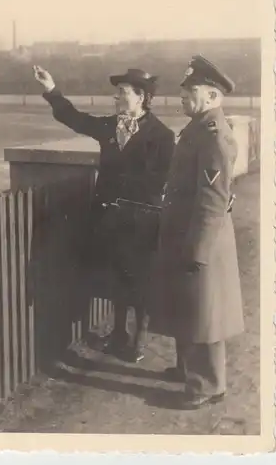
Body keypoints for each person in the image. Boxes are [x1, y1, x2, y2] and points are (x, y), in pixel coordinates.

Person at [34, 66, 175, 362]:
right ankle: (118, 334)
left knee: (139, 280)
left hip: (141, 220)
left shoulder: (162, 135)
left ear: (141, 97)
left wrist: (127, 191)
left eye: (122, 92)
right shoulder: (110, 126)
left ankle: (137, 341)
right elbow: (74, 118)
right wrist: (51, 89)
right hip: (110, 219)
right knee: (116, 277)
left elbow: (162, 179)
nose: (116, 97)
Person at [155, 55, 244, 409]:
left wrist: (199, 250)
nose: (182, 97)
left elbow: (213, 199)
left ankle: (207, 385)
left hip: (201, 236)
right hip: (186, 231)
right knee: (189, 307)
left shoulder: (214, 136)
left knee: (204, 313)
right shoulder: (198, 128)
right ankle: (187, 369)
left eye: (191, 91)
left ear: (212, 97)